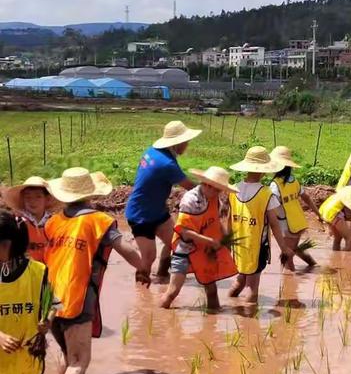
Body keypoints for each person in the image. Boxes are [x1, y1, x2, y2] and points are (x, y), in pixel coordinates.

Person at [45, 167, 150, 374]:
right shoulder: (98, 221)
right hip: (77, 298)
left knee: (66, 352)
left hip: (48, 300)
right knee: (79, 361)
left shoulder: (53, 221)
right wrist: (143, 268)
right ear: (90, 194)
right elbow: (127, 250)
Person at [0, 210, 58, 374]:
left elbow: (53, 303)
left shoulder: (37, 271)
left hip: (20, 349)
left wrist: (47, 321)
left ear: (11, 244)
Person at [125, 120, 201, 281]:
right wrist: (214, 189)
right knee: (149, 256)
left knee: (175, 241)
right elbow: (191, 187)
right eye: (186, 142)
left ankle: (162, 273)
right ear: (177, 143)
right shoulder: (167, 164)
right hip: (141, 215)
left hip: (158, 211)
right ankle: (142, 290)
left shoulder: (152, 151)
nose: (187, 145)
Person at [159, 167, 238, 310]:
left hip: (204, 251)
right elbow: (184, 231)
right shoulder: (190, 200)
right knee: (172, 292)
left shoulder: (215, 198)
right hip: (185, 250)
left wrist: (225, 236)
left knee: (212, 291)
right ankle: (158, 318)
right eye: (218, 189)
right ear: (208, 185)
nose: (219, 193)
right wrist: (210, 241)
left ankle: (213, 324)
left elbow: (215, 220)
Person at [228, 146, 294, 304]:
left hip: (238, 246)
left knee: (240, 279)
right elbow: (275, 225)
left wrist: (226, 244)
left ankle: (227, 305)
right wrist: (284, 248)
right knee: (252, 288)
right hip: (256, 247)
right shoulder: (266, 194)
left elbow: (229, 219)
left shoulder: (234, 189)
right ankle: (249, 325)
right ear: (264, 170)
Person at [269, 146, 322, 271]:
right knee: (294, 249)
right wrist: (318, 213)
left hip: (287, 226)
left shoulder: (275, 185)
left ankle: (289, 285)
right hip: (298, 223)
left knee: (287, 258)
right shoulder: (294, 181)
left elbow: (272, 209)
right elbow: (307, 198)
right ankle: (313, 265)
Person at [2, 177, 57, 263]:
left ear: (47, 199)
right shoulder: (18, 223)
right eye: (28, 197)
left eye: (38, 197)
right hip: (27, 270)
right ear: (23, 200)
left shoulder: (56, 222)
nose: (33, 201)